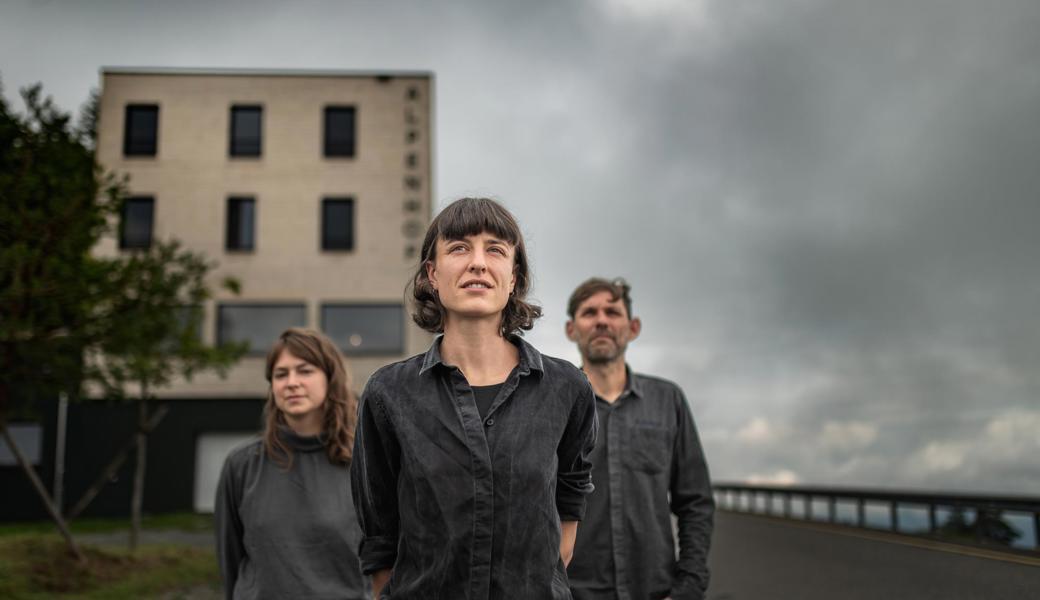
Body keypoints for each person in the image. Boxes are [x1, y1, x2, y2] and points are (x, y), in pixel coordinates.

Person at [351, 197, 598, 599]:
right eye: (459, 248)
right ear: (432, 273)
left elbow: (570, 500)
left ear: (513, 276)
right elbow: (378, 530)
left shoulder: (567, 387)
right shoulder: (388, 393)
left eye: (495, 250)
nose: (478, 263)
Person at [564, 278, 714, 600]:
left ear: (632, 327)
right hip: (574, 593)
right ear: (571, 329)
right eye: (589, 312)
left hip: (656, 590)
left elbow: (696, 502)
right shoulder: (556, 405)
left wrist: (689, 587)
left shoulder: (668, 400)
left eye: (612, 312)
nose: (602, 320)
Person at [215, 328, 369, 600]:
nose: (292, 382)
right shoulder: (242, 465)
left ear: (330, 378)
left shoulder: (367, 461)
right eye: (281, 374)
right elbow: (230, 560)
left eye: (305, 371)